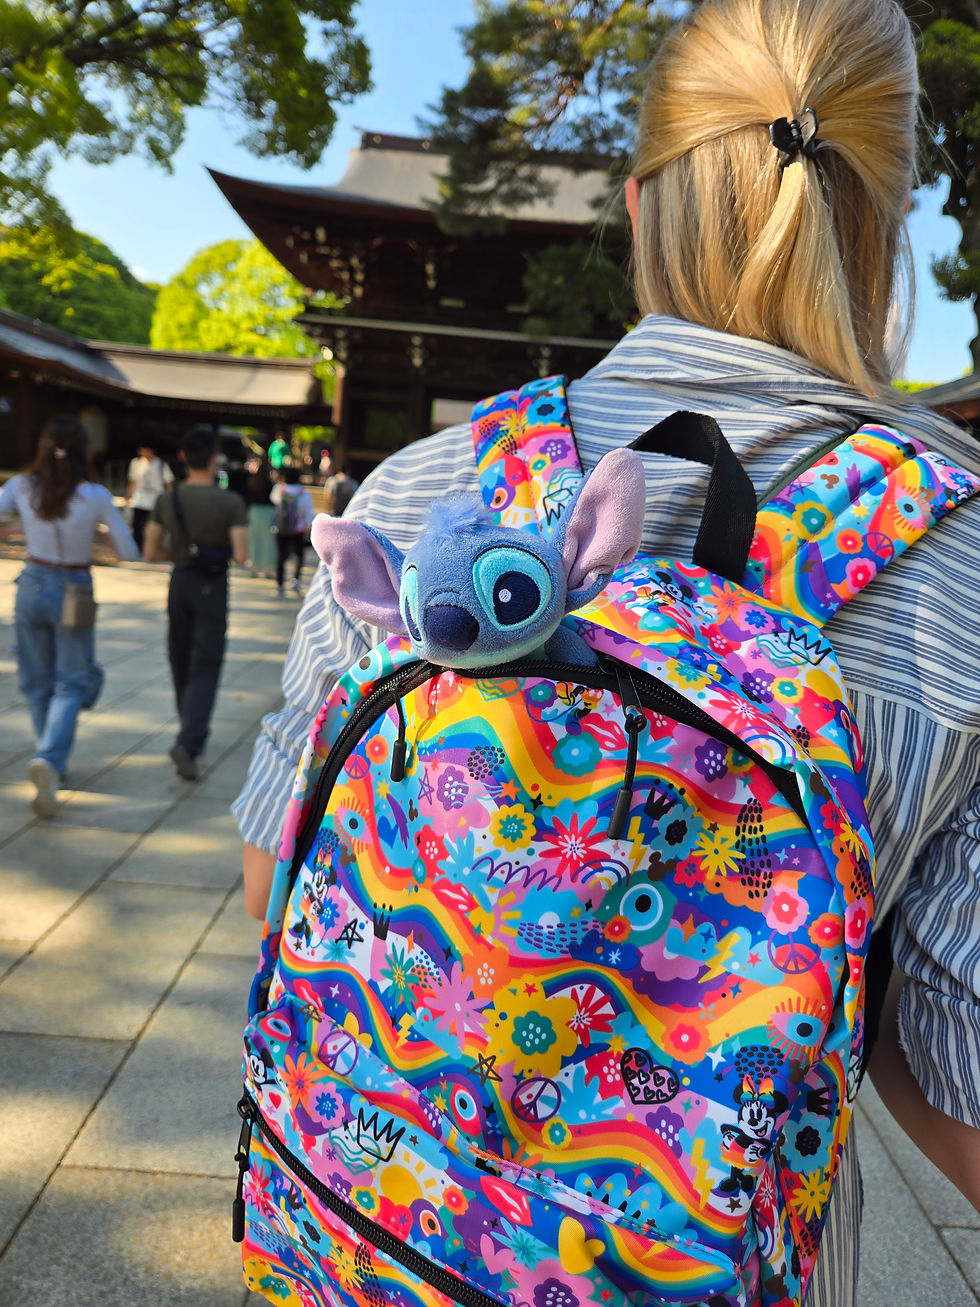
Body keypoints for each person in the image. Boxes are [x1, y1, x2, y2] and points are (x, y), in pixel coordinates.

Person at [232, 0, 980, 1298]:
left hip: (364, 1227)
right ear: (886, 217)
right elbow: (952, 1066)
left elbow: (269, 881)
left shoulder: (421, 486)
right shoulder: (954, 553)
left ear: (640, 207)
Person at [0, 413, 139, 817]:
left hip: (30, 583)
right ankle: (49, 758)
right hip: (74, 588)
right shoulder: (93, 495)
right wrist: (95, 535)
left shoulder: (22, 486)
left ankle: (50, 759)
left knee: (36, 680)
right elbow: (128, 552)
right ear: (84, 449)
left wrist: (19, 530)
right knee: (72, 682)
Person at [143, 425, 248, 781]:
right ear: (214, 458)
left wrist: (180, 552)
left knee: (179, 654)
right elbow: (242, 555)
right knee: (206, 662)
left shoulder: (167, 499)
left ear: (184, 457)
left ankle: (190, 728)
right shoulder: (230, 502)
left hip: (180, 580)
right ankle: (189, 740)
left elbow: (150, 550)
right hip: (213, 585)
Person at [269, 463, 314, 596]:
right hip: (297, 529)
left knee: (281, 556)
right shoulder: (304, 493)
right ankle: (296, 580)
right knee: (298, 555)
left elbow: (273, 501)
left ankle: (280, 584)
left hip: (281, 528)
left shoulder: (278, 490)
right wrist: (308, 527)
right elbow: (308, 514)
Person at [125, 442, 173, 552]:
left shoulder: (161, 464)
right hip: (139, 499)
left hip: (156, 501)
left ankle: (153, 548)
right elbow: (132, 481)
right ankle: (138, 548)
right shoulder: (136, 463)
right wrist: (128, 497)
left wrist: (169, 499)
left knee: (154, 527)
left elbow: (168, 483)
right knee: (137, 526)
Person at [245, 457, 276, 579]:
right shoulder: (271, 484)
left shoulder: (251, 482)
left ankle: (254, 569)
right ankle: (267, 570)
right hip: (268, 513)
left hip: (254, 512)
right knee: (268, 542)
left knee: (254, 542)